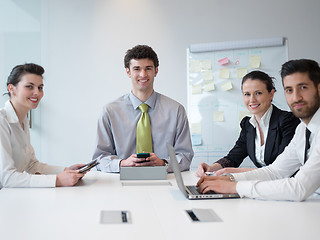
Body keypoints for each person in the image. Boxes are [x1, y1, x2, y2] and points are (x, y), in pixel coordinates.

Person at [197, 59, 320, 201]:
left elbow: (298, 188)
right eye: (289, 90)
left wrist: (235, 187)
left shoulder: (289, 121)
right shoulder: (302, 130)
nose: (296, 97)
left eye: (303, 87)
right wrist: (228, 179)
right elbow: (275, 171)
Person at [92, 45, 193, 173]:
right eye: (137, 69)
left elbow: (185, 156)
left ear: (156, 71)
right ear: (128, 72)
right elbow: (99, 158)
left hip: (165, 181)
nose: (143, 74)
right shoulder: (110, 111)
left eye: (148, 68)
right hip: (120, 184)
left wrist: (163, 163)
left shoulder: (176, 110)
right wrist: (123, 163)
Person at [196, 71, 300, 177]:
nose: (252, 100)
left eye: (258, 93)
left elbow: (281, 167)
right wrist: (212, 168)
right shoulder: (248, 125)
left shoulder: (288, 120)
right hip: (265, 184)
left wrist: (237, 172)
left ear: (271, 94)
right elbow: (233, 158)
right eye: (247, 94)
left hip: (290, 185)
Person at [0, 63, 86, 188]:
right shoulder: (2, 121)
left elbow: (31, 165)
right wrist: (57, 180)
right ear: (11, 89)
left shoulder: (24, 120)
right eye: (29, 87)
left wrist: (66, 170)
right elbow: (6, 177)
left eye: (40, 88)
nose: (37, 93)